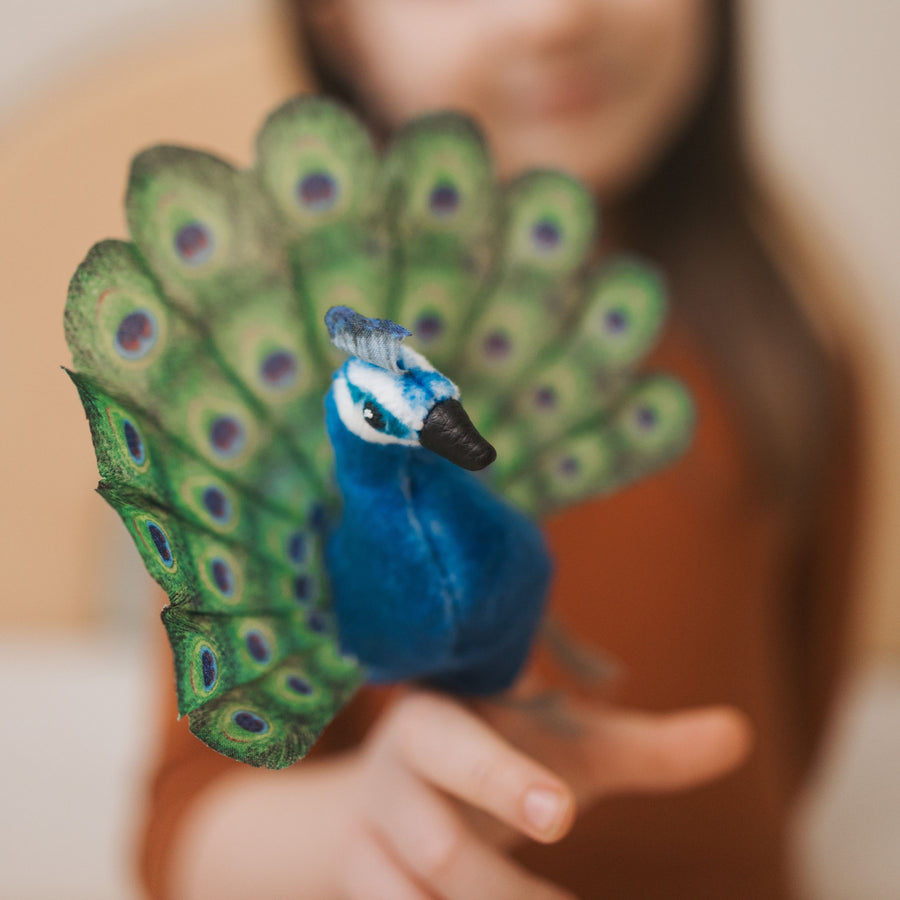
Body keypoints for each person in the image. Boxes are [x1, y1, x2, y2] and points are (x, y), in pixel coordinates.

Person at [139, 1, 866, 896]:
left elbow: (803, 719)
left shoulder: (791, 339)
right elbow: (187, 831)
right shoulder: (266, 386)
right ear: (338, 24)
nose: (554, 18)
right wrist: (367, 818)